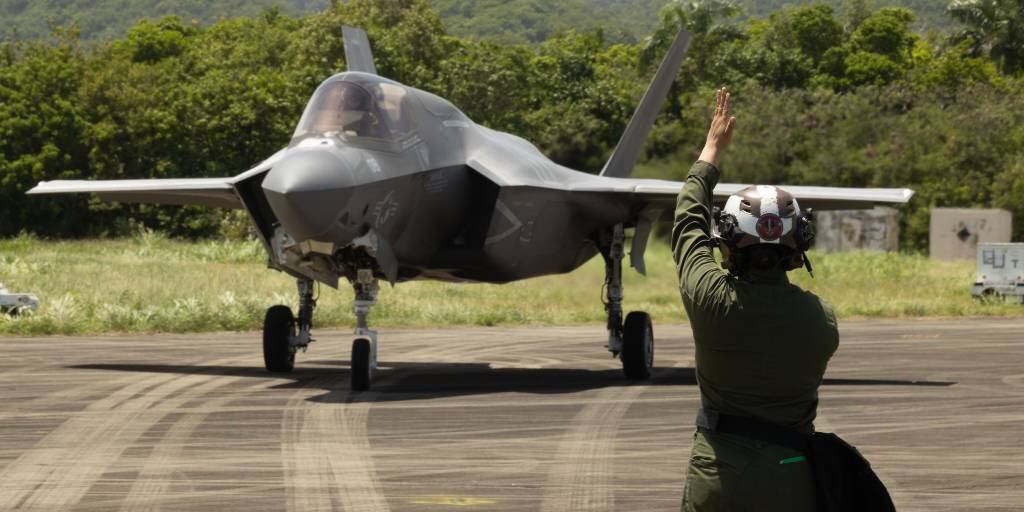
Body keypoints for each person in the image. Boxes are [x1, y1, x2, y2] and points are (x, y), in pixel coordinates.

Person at [673, 87, 839, 511]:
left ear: (728, 246)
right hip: (794, 476)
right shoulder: (821, 321)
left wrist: (711, 151)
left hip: (718, 478)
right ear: (796, 251)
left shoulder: (711, 300)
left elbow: (687, 224)